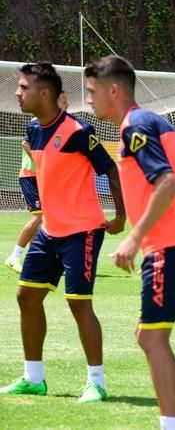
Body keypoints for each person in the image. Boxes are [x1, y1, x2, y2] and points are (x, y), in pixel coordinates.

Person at [84, 55, 175, 430]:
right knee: (148, 335)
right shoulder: (157, 123)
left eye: (92, 92)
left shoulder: (133, 127)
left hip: (169, 243)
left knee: (153, 339)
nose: (88, 101)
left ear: (113, 90)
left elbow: (168, 183)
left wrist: (134, 238)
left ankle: (174, 425)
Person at [0, 63, 126, 402]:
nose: (17, 92)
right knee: (26, 296)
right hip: (49, 231)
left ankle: (96, 383)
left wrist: (120, 216)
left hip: (82, 231)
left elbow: (110, 169)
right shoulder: (33, 130)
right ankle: (33, 378)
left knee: (78, 303)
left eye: (24, 87)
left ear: (45, 93)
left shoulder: (78, 131)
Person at [4, 92, 69, 273]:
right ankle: (14, 257)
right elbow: (25, 143)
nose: (68, 104)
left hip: (42, 176)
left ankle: (38, 261)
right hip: (30, 175)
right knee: (39, 217)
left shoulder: (59, 125)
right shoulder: (38, 120)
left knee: (44, 220)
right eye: (64, 101)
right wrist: (40, 161)